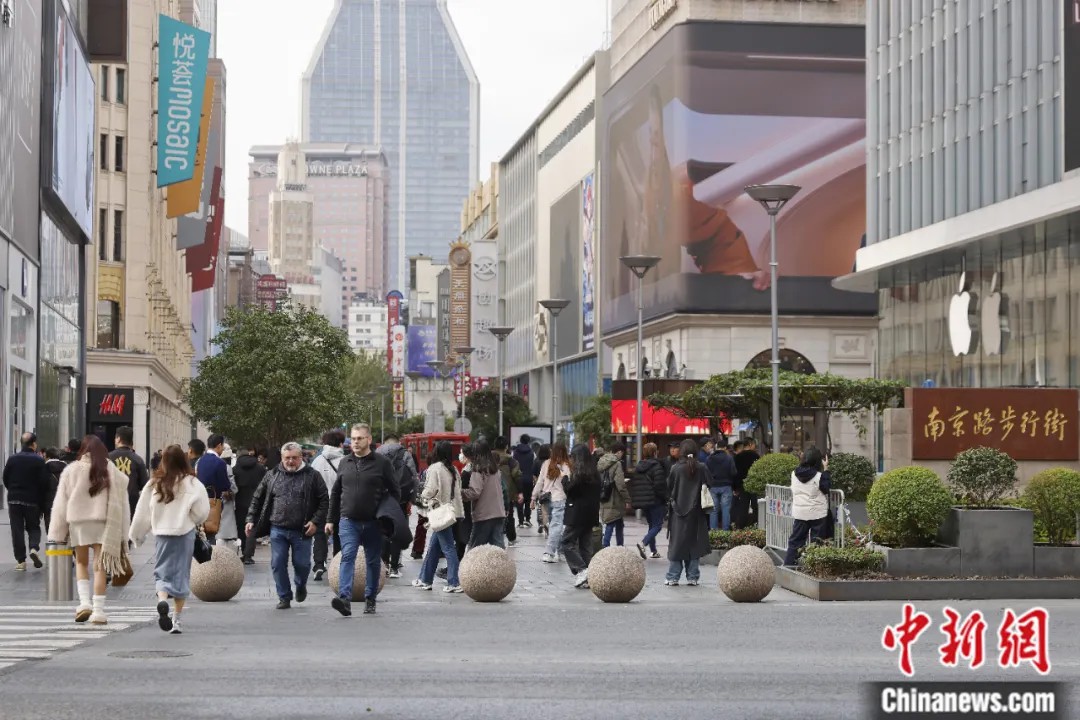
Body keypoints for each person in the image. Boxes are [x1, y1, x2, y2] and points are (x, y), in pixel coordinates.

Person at [48, 435, 131, 624]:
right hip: (104, 523)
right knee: (100, 567)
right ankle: (99, 612)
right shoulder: (111, 469)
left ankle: (84, 603)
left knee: (81, 564)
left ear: (82, 450)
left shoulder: (71, 470)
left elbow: (61, 504)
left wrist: (56, 533)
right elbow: (122, 504)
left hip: (78, 523)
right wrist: (124, 534)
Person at [129, 445, 210, 635]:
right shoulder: (192, 483)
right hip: (184, 533)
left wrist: (137, 536)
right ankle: (176, 620)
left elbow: (142, 513)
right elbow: (201, 512)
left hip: (162, 534)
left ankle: (162, 600)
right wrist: (192, 519)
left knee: (162, 573)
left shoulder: (154, 483)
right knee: (181, 574)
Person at [245, 442, 329, 610]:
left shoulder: (313, 475)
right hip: (278, 528)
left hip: (302, 530)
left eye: (294, 458)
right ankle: (284, 596)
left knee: (303, 564)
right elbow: (257, 498)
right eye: (287, 458)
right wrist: (250, 518)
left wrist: (315, 521)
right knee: (277, 563)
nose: (290, 462)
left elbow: (324, 500)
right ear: (282, 458)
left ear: (301, 457)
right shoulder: (272, 475)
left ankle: (300, 585)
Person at [326, 424, 399, 616]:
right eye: (353, 438)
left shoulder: (382, 463)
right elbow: (336, 493)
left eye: (359, 438)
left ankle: (370, 598)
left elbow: (395, 491)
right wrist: (330, 519)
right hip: (348, 520)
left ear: (369, 439)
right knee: (347, 555)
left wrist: (387, 512)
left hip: (374, 522)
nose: (355, 442)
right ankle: (344, 599)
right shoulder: (345, 462)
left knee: (373, 560)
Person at [412, 441, 464, 593]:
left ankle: (454, 582)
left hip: (440, 513)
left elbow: (430, 490)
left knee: (448, 548)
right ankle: (425, 579)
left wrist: (420, 498)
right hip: (452, 513)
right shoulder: (454, 469)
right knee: (434, 548)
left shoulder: (435, 468)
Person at [3, 432, 50, 570]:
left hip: (14, 499)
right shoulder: (39, 460)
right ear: (34, 444)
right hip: (32, 500)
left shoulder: (12, 459)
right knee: (34, 527)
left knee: (16, 529)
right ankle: (34, 548)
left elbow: (5, 477)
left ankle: (21, 561)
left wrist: (12, 489)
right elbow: (43, 483)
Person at [665, 439, 709, 586]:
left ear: (681, 452)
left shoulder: (675, 468)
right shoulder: (701, 467)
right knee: (694, 544)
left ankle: (673, 576)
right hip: (697, 512)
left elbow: (669, 487)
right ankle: (693, 576)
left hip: (678, 511)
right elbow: (710, 483)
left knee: (677, 543)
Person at [560, 444, 602, 588]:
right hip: (591, 514)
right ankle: (590, 577)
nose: (570, 459)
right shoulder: (595, 473)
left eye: (572, 456)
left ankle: (581, 570)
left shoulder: (579, 474)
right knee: (585, 545)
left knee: (566, 542)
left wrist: (564, 479)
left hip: (577, 514)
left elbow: (570, 491)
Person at [375, 433, 416, 578]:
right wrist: (412, 499)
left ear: (384, 442)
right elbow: (413, 477)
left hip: (383, 499)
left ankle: (384, 563)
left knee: (383, 530)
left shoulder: (378, 453)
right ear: (398, 442)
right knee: (398, 531)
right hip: (402, 499)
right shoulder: (405, 454)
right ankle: (394, 567)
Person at [784, 447, 832, 566]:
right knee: (817, 542)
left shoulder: (794, 473)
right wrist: (826, 470)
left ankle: (789, 565)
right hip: (817, 513)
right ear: (817, 461)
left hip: (800, 513)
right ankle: (815, 568)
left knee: (796, 541)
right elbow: (826, 489)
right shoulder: (819, 476)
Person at [310, 430, 346, 580]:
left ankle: (319, 564)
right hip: (340, 504)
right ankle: (338, 566)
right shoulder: (345, 461)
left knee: (320, 535)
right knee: (339, 535)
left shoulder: (317, 461)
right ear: (340, 443)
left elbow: (311, 484)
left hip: (321, 503)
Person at [460, 439, 505, 549]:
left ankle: (469, 567)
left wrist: (459, 492)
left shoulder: (478, 469)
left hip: (484, 515)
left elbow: (474, 492)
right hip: (499, 513)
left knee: (475, 550)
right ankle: (501, 566)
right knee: (498, 549)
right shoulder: (495, 469)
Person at [531, 443, 569, 562]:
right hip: (559, 499)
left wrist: (533, 497)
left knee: (554, 525)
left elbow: (539, 482)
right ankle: (549, 553)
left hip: (546, 499)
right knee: (557, 526)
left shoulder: (546, 464)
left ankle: (560, 551)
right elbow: (569, 482)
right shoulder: (566, 465)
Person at [629, 442, 668, 559]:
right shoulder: (657, 466)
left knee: (652, 525)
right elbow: (659, 485)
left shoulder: (639, 467)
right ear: (655, 453)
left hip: (644, 501)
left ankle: (654, 550)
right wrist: (665, 497)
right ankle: (643, 543)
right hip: (656, 500)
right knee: (658, 525)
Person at [189, 437, 231, 545]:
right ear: (219, 446)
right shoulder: (220, 463)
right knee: (211, 530)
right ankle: (209, 555)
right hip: (213, 501)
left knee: (201, 530)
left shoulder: (200, 461)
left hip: (198, 500)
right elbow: (225, 485)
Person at [232, 446, 266, 564]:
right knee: (252, 529)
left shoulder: (235, 469)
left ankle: (244, 551)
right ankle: (248, 555)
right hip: (256, 502)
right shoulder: (260, 468)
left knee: (242, 528)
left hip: (240, 502)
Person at [108, 426, 149, 522]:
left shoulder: (108, 457)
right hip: (132, 502)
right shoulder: (138, 459)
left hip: (112, 501)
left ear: (118, 439)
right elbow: (145, 484)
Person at [598, 441, 629, 547]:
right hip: (615, 498)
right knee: (611, 523)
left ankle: (620, 545)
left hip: (603, 495)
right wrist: (627, 499)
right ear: (619, 452)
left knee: (617, 521)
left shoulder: (601, 461)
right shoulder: (617, 463)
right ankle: (606, 546)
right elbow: (620, 484)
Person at [493, 436, 521, 546]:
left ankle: (494, 537)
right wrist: (519, 491)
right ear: (506, 446)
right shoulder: (511, 460)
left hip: (491, 493)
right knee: (509, 515)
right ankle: (511, 538)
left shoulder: (489, 458)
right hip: (508, 492)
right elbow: (517, 476)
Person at [705, 439, 737, 530]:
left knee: (713, 510)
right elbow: (733, 472)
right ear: (725, 448)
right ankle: (725, 532)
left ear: (716, 447)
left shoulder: (709, 458)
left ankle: (714, 532)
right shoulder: (729, 458)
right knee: (726, 510)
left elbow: (706, 472)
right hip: (726, 486)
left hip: (713, 487)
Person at [511, 434, 536, 528]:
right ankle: (528, 519)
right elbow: (533, 466)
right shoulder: (532, 452)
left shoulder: (515, 452)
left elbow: (513, 465)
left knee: (519, 500)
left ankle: (520, 522)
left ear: (520, 440)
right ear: (528, 441)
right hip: (529, 479)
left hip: (518, 479)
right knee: (528, 499)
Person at [42, 447, 67, 535]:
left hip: (48, 502)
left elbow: (41, 487)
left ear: (47, 457)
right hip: (64, 501)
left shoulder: (44, 468)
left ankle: (52, 545)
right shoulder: (67, 468)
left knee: (50, 527)